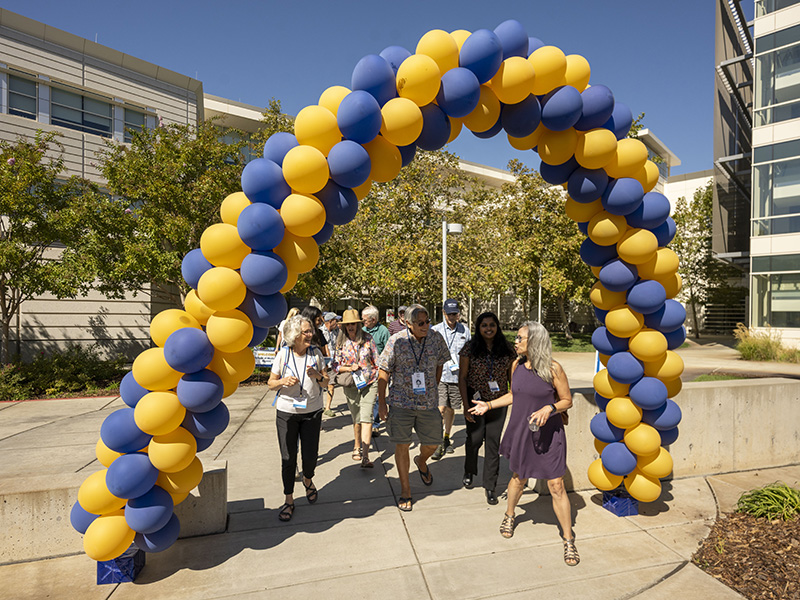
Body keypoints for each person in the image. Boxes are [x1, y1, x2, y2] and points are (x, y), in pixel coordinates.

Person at [469, 321, 579, 566]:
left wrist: (549, 408)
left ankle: (568, 539)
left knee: (556, 485)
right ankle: (510, 514)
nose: (515, 342)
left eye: (520, 338)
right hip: (522, 431)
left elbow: (567, 401)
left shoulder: (553, 368)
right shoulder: (516, 365)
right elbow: (513, 395)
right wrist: (489, 405)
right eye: (516, 338)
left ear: (535, 342)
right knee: (519, 477)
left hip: (549, 434)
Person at [378, 304, 451, 512]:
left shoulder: (435, 338)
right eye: (421, 323)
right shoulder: (396, 341)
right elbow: (383, 372)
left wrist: (433, 387)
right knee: (402, 445)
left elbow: (441, 363)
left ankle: (421, 460)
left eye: (427, 321)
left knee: (433, 443)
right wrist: (382, 403)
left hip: (428, 403)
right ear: (408, 323)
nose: (426, 325)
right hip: (401, 403)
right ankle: (406, 490)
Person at [267, 315, 330, 522]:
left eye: (310, 331)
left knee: (310, 455)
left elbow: (326, 382)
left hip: (312, 411)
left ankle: (308, 479)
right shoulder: (283, 355)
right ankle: (289, 499)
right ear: (295, 335)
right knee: (288, 458)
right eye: (306, 332)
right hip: (287, 412)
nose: (310, 334)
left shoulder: (316, 353)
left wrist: (317, 376)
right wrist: (283, 381)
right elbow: (270, 383)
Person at [458, 312, 515, 505]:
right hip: (475, 400)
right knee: (474, 439)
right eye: (484, 325)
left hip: (498, 402)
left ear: (497, 326)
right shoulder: (469, 348)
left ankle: (490, 486)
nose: (488, 328)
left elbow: (512, 380)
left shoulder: (507, 349)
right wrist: (466, 406)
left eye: (492, 325)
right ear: (478, 328)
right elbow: (463, 378)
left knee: (492, 443)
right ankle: (469, 469)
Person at [332, 309, 380, 468]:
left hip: (369, 382)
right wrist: (348, 368)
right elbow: (335, 366)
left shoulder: (368, 339)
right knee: (356, 418)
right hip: (351, 383)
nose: (350, 327)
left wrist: (380, 382)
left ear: (358, 325)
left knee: (367, 418)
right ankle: (356, 446)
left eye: (353, 323)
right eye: (347, 324)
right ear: (343, 326)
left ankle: (365, 456)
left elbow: (377, 361)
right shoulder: (340, 342)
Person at [430, 299, 470, 460]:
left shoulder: (464, 330)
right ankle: (438, 441)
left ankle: (447, 437)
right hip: (439, 376)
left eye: (455, 313)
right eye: (450, 313)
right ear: (444, 313)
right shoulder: (435, 330)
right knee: (440, 409)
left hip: (457, 378)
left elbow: (469, 352)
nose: (453, 316)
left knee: (451, 409)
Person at [362, 305, 389, 436]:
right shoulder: (362, 330)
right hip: (365, 370)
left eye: (365, 320)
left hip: (379, 369)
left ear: (373, 320)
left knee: (378, 397)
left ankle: (375, 424)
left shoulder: (383, 331)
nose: (363, 322)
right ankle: (365, 421)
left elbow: (388, 350)